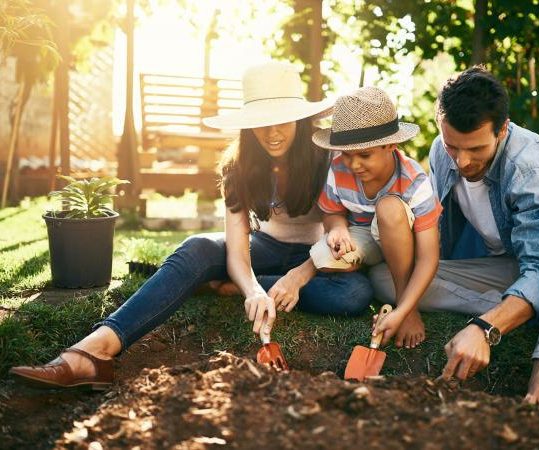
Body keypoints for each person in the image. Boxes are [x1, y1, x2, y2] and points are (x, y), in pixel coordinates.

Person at [9, 61, 373, 389]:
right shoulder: (239, 165)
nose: (272, 132)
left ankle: (217, 285)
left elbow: (346, 235)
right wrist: (251, 290)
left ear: (299, 117)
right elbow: (237, 246)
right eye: (261, 122)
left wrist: (300, 275)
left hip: (318, 257)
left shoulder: (328, 157)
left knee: (353, 294)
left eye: (281, 119)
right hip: (265, 249)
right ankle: (95, 350)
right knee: (197, 248)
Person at [369, 65, 539, 407]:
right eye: (453, 146)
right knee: (386, 278)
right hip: (502, 267)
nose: (462, 161)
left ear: (502, 129)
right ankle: (530, 308)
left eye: (476, 149)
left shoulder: (531, 167)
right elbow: (435, 235)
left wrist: (484, 328)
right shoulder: (443, 151)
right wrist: (405, 304)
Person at [309, 86, 442, 349]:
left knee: (389, 208)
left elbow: (429, 257)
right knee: (323, 257)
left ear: (391, 144)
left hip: (402, 241)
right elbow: (332, 211)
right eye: (347, 154)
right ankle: (269, 283)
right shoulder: (337, 168)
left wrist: (404, 310)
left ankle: (404, 298)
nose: (354, 165)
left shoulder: (415, 181)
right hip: (362, 236)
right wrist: (337, 228)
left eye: (365, 155)